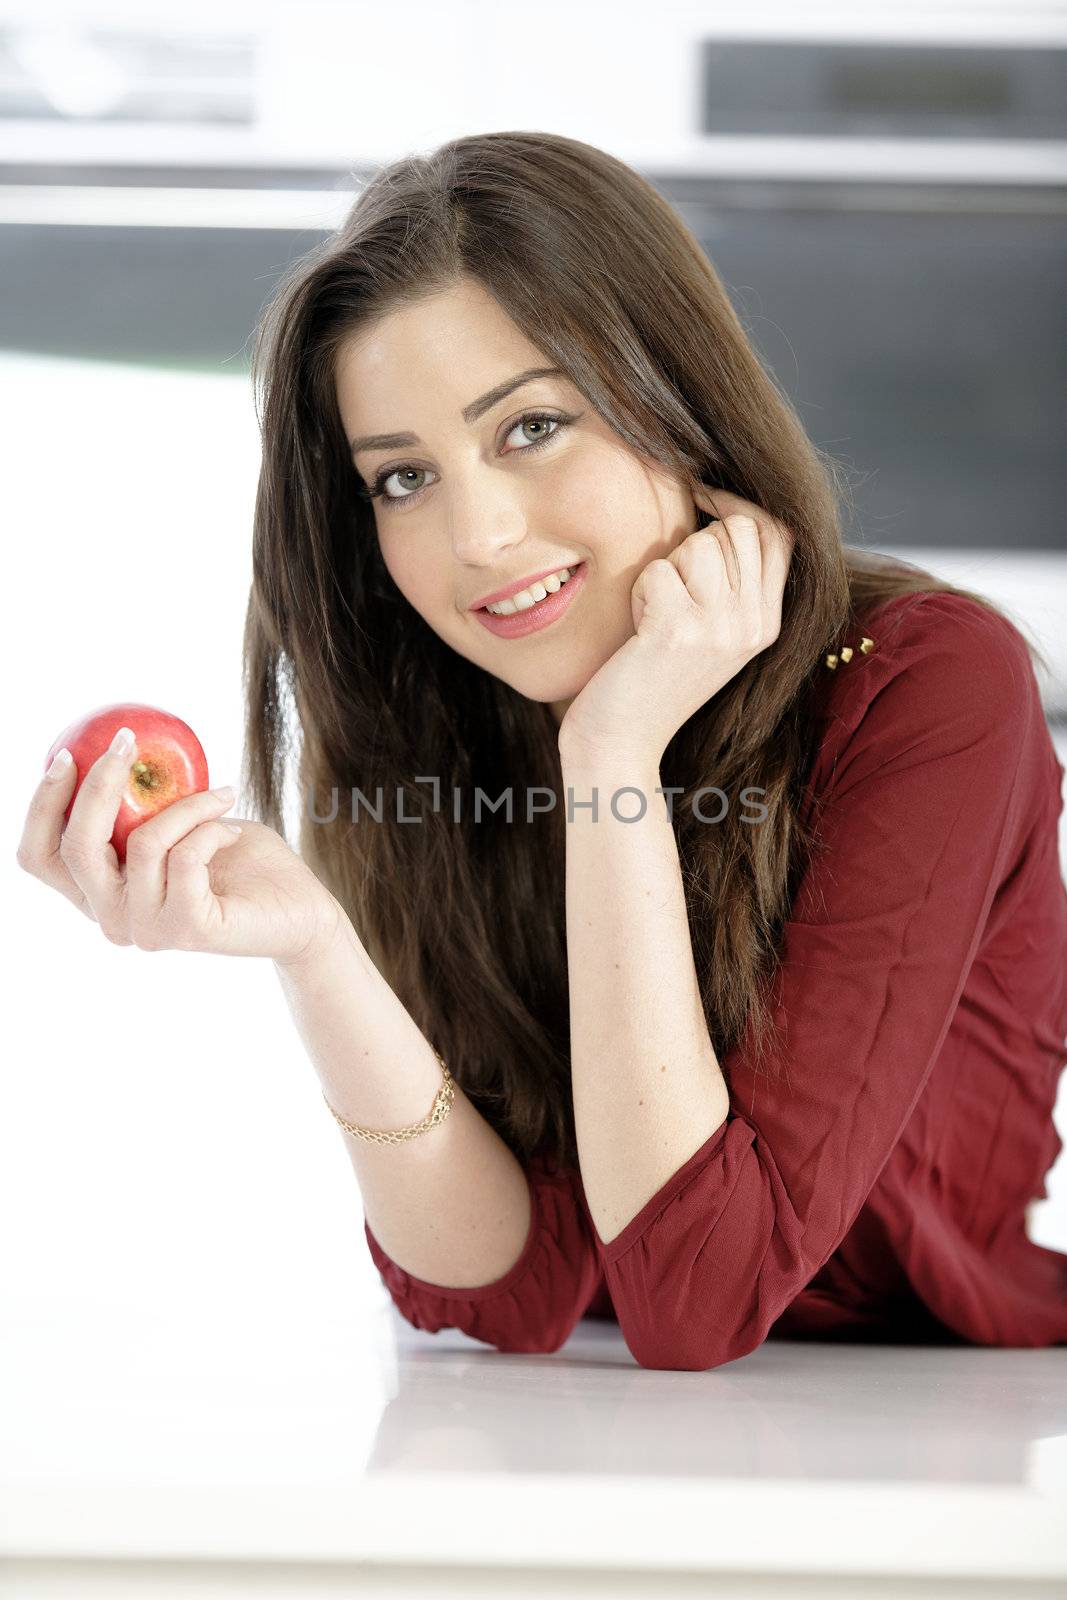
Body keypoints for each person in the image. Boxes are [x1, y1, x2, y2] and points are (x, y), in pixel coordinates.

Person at [18, 131, 1067, 1372]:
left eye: (529, 429)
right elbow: (504, 1286)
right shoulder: (452, 711)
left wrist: (613, 755)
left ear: (672, 394)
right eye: (403, 477)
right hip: (598, 1446)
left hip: (944, 1425)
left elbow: (693, 1299)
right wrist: (315, 947)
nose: (478, 536)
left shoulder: (922, 683)